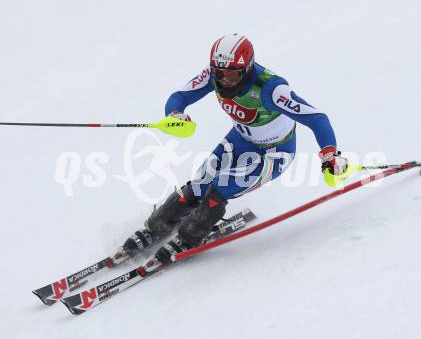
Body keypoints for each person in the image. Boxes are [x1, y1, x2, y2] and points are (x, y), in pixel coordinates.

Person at [120, 33, 348, 266]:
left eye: (232, 74)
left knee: (221, 187)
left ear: (247, 68)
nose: (225, 80)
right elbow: (179, 97)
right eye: (220, 73)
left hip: (274, 153)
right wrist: (175, 115)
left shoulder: (270, 88)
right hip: (240, 141)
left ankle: (190, 237)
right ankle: (157, 227)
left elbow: (317, 118)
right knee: (199, 183)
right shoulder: (213, 75)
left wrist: (330, 154)